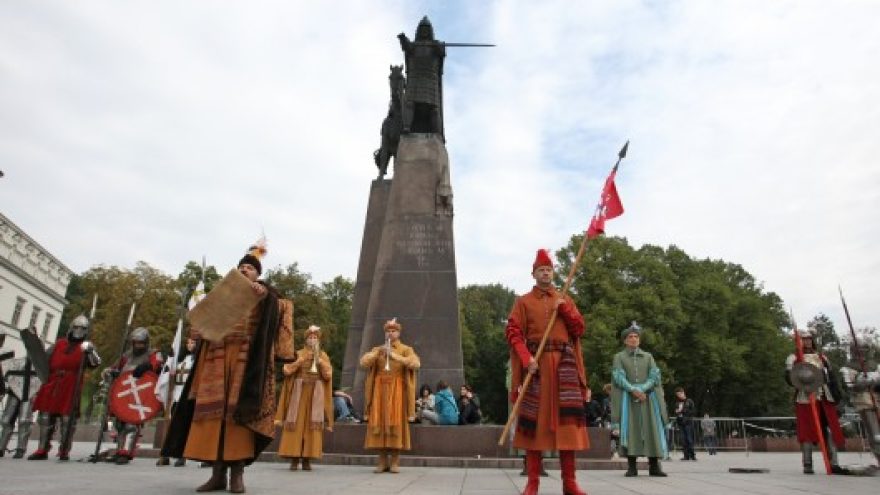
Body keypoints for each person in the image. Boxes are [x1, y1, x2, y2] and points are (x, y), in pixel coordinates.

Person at [163, 240, 295, 493]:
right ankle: (216, 474)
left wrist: (264, 294)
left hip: (246, 362)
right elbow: (202, 324)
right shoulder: (222, 295)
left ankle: (237, 475)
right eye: (242, 266)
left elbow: (278, 312)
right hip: (217, 359)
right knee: (214, 418)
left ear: (258, 274)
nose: (245, 269)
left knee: (238, 416)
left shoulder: (265, 295)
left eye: (250, 267)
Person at [506, 249, 589, 495]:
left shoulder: (564, 298)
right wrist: (526, 358)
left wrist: (566, 311)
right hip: (537, 367)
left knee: (567, 428)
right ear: (533, 274)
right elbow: (513, 333)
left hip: (564, 368)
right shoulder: (523, 302)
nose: (545, 273)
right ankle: (533, 483)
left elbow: (579, 329)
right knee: (534, 425)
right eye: (541, 270)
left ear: (553, 273)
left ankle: (570, 482)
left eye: (549, 269)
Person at [28, 315, 101, 461]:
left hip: (71, 384)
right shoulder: (59, 343)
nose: (78, 330)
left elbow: (95, 363)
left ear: (86, 330)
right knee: (46, 416)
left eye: (82, 328)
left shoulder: (86, 346)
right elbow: (43, 359)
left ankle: (64, 451)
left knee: (68, 419)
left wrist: (90, 350)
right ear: (71, 328)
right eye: (76, 327)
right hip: (53, 382)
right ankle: (42, 449)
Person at [360, 317, 420, 473]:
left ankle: (394, 461)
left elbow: (415, 363)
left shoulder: (406, 349)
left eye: (394, 331)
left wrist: (395, 356)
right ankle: (381, 461)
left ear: (399, 333)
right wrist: (376, 354)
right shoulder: (377, 349)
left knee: (396, 424)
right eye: (388, 331)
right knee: (378, 424)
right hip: (379, 390)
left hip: (397, 390)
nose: (391, 333)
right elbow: (364, 362)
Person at [610, 322, 668, 477]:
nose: (633, 339)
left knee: (652, 430)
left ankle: (654, 466)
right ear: (625, 340)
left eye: (636, 336)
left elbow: (654, 376)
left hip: (648, 399)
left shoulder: (648, 357)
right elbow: (618, 377)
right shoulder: (619, 357)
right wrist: (633, 389)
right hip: (628, 400)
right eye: (630, 336)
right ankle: (632, 466)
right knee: (631, 430)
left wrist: (642, 388)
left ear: (639, 340)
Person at [785, 327, 846, 474]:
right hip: (805, 397)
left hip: (824, 395)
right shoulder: (793, 358)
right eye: (804, 339)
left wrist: (837, 398)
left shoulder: (822, 358)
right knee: (807, 431)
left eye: (809, 339)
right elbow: (789, 378)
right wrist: (803, 383)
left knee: (830, 429)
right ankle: (807, 463)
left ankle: (834, 463)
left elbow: (831, 379)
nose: (807, 342)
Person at [102, 327, 164, 464]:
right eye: (136, 343)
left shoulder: (153, 354)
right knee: (119, 423)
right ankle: (119, 451)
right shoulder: (126, 355)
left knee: (131, 424)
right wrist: (111, 372)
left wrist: (148, 366)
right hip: (124, 392)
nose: (138, 346)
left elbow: (158, 366)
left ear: (146, 342)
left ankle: (126, 452)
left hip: (141, 394)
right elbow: (115, 368)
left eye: (141, 343)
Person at [276, 325, 333, 471]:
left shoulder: (323, 355)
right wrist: (300, 361)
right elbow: (287, 370)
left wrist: (320, 362)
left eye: (315, 338)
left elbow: (328, 375)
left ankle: (307, 459)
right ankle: (294, 458)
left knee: (312, 426)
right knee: (296, 424)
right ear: (306, 339)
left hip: (316, 393)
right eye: (310, 338)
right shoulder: (298, 353)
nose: (312, 340)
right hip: (299, 392)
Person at [157, 337, 197, 466]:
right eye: (188, 342)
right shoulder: (180, 360)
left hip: (189, 395)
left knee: (184, 426)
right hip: (176, 395)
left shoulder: (196, 361)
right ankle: (167, 454)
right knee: (173, 426)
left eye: (193, 343)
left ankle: (183, 455)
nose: (190, 345)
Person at [0, 353, 41, 458]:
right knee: (6, 420)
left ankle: (20, 449)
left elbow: (41, 378)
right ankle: (1, 447)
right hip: (14, 392)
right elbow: (7, 373)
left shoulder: (39, 364)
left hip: (29, 393)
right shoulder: (17, 362)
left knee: (24, 421)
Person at [674, 387, 696, 461]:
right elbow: (676, 412)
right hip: (680, 423)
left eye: (679, 394)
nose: (679, 396)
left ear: (683, 392)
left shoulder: (689, 401)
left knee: (689, 439)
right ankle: (686, 456)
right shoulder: (677, 402)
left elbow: (693, 412)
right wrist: (677, 412)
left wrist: (682, 411)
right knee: (683, 440)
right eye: (677, 395)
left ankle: (692, 455)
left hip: (688, 422)